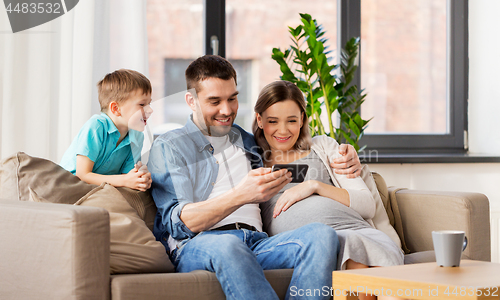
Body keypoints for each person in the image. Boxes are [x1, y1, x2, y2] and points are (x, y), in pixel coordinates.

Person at [147, 55, 362, 300]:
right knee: (228, 245)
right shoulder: (170, 146)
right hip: (201, 245)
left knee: (321, 235)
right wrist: (241, 195)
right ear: (191, 101)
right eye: (214, 101)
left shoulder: (247, 140)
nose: (226, 110)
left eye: (232, 98)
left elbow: (292, 160)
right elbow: (181, 223)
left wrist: (341, 154)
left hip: (257, 243)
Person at [253, 80, 404, 300]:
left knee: (374, 273)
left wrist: (313, 186)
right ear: (259, 120)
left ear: (303, 119)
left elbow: (366, 205)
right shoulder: (250, 159)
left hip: (358, 231)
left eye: (292, 120)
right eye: (273, 121)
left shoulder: (322, 146)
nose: (283, 130)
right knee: (357, 262)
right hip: (316, 244)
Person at [60, 69, 153, 192]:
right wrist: (125, 180)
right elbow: (82, 175)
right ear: (115, 108)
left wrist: (138, 177)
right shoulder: (96, 126)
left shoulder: (137, 137)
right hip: (69, 185)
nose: (150, 110)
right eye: (142, 104)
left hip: (101, 188)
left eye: (149, 104)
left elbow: (127, 177)